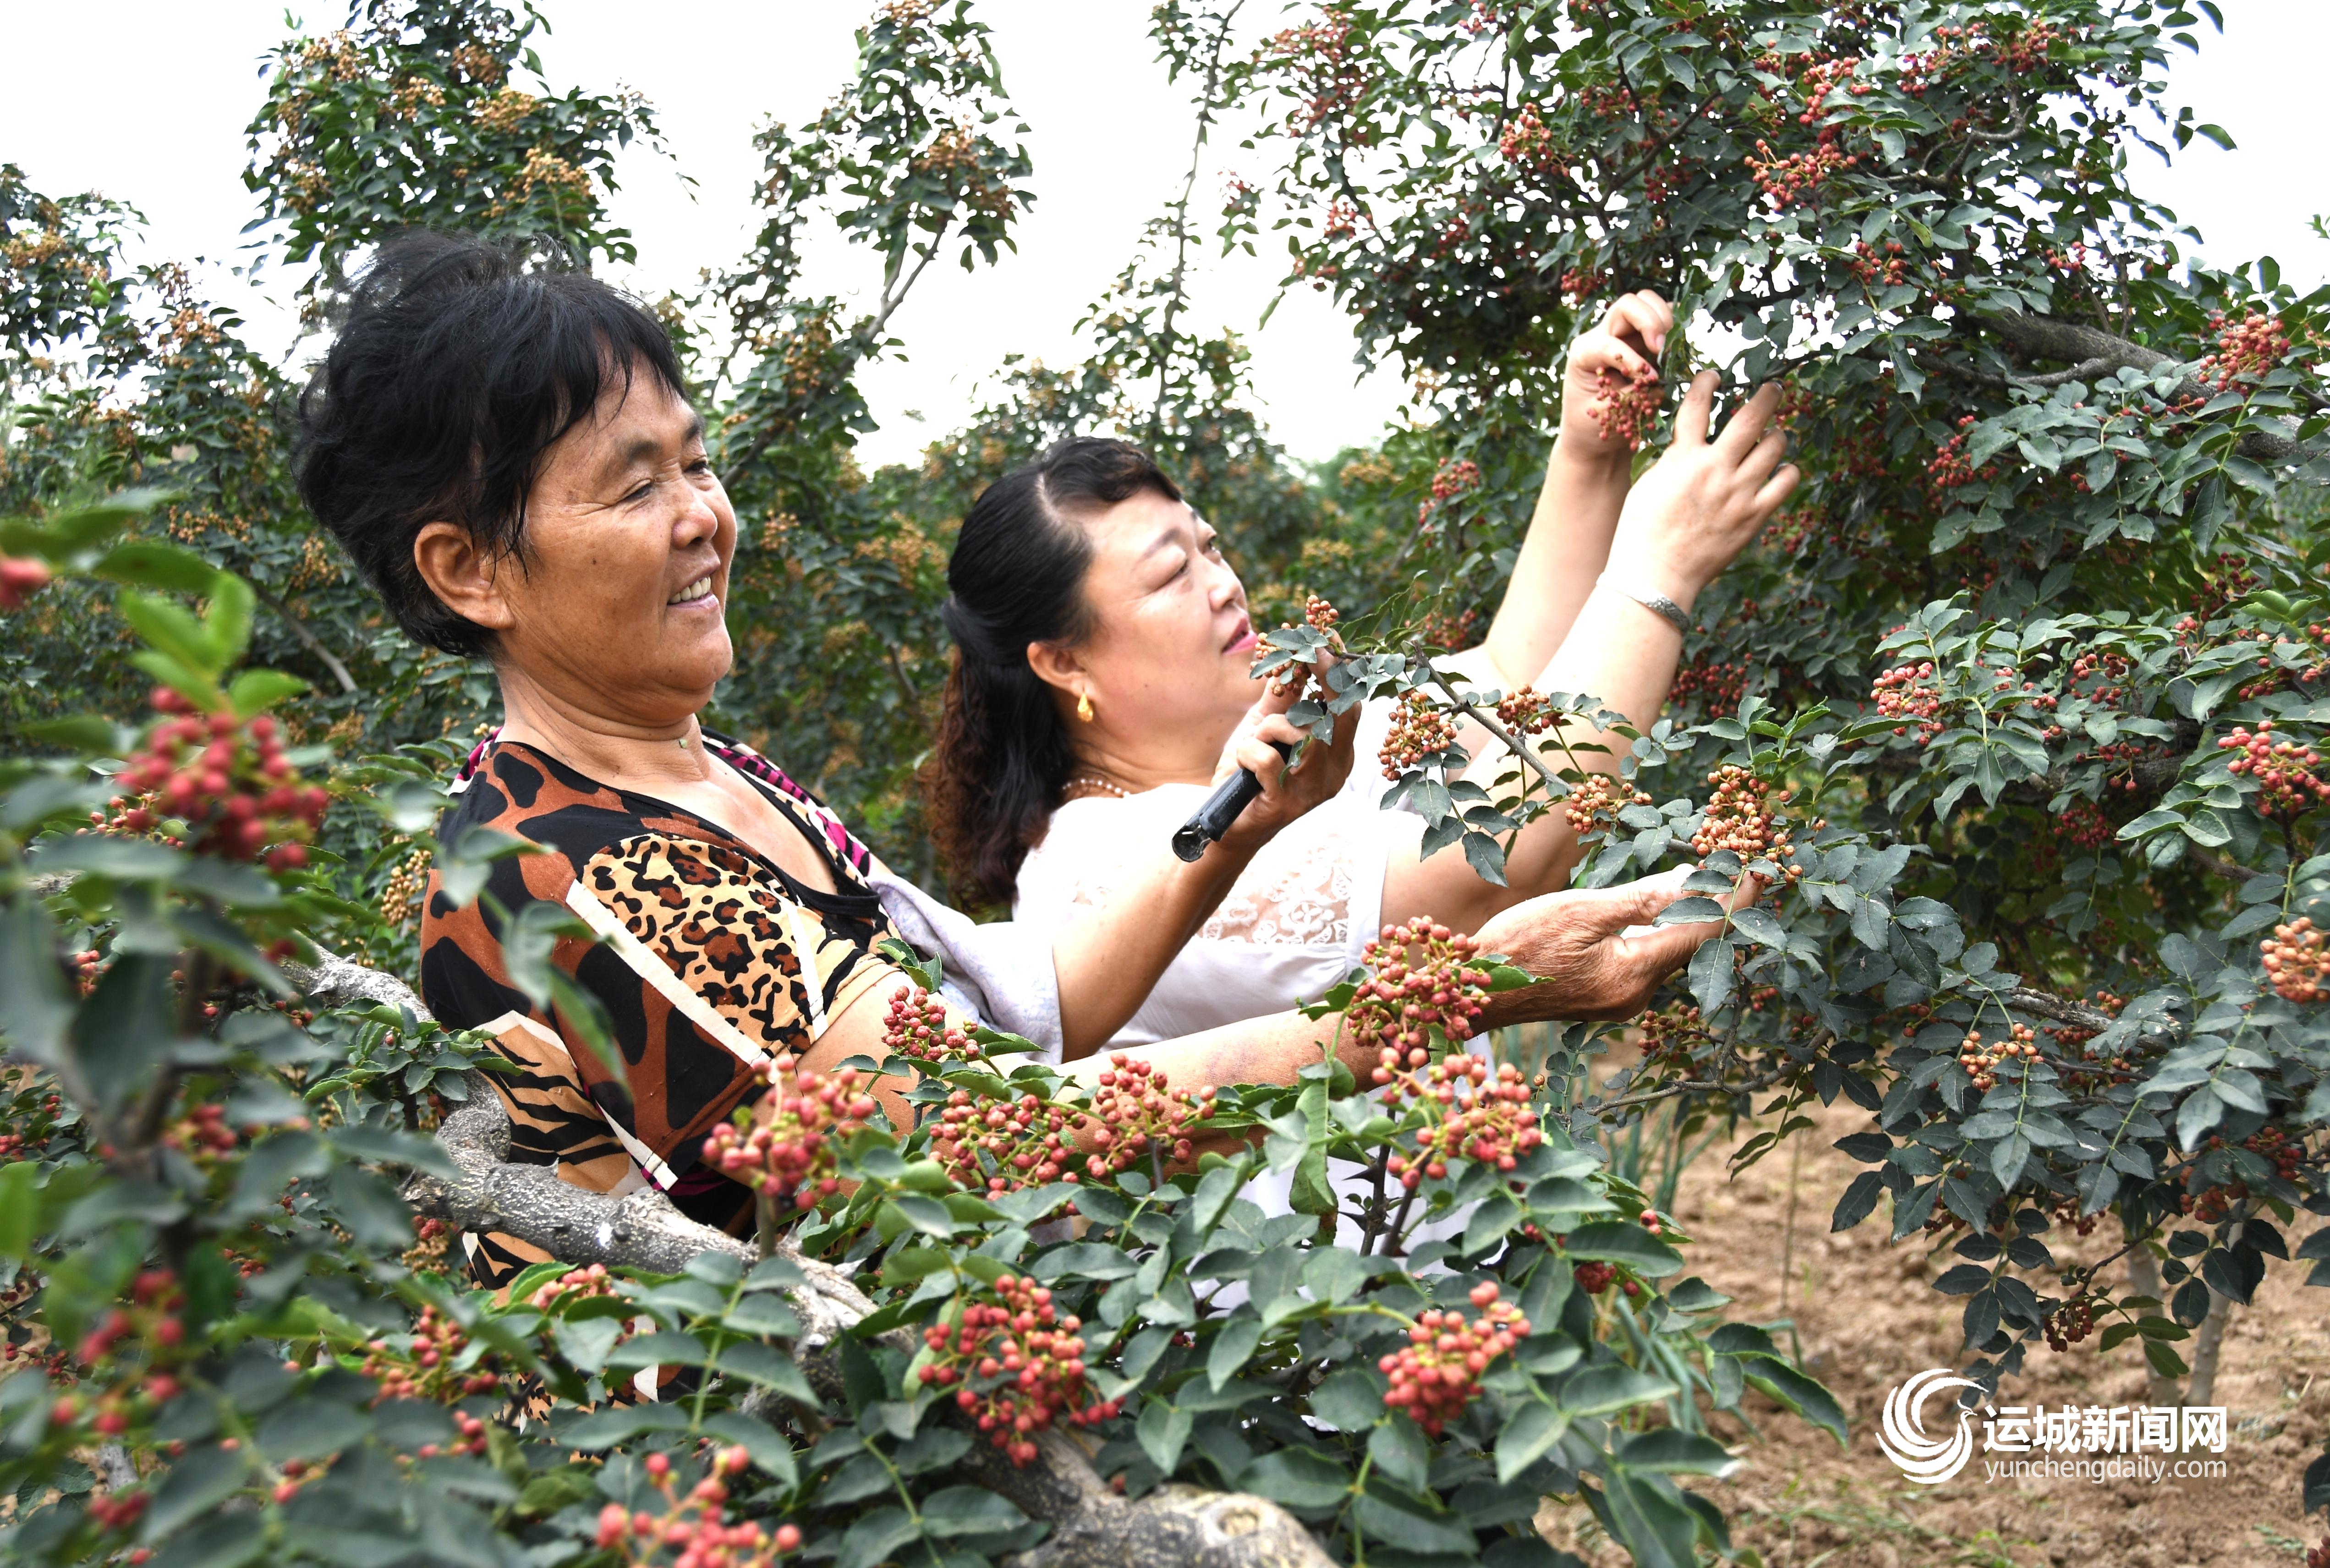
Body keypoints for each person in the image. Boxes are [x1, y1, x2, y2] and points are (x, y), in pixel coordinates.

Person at [296, 234, 1732, 1286]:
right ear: (470, 569)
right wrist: (1475, 984)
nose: (703, 517)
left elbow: (1000, 1003)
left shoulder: (712, 781)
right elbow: (974, 1137)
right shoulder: (577, 865)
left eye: (696, 460)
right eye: (634, 482)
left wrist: (1228, 834)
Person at [933, 292, 1796, 1054]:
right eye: (1171, 574)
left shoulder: (1292, 748)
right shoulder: (1101, 866)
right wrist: (1658, 568)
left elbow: (1509, 684)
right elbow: (1488, 870)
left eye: (1210, 547)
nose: (1224, 584)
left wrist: (1590, 448)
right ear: (1063, 660)